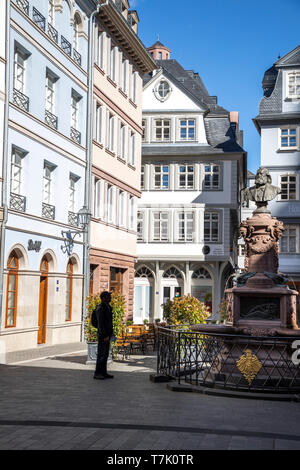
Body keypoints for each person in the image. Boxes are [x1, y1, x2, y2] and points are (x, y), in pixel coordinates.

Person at [94, 291, 114, 380]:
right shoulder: (100, 308)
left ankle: (104, 372)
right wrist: (104, 335)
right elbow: (100, 323)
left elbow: (109, 322)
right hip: (103, 335)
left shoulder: (108, 307)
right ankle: (97, 373)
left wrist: (111, 333)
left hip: (107, 334)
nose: (110, 298)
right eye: (108, 296)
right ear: (104, 298)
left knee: (105, 354)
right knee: (101, 354)